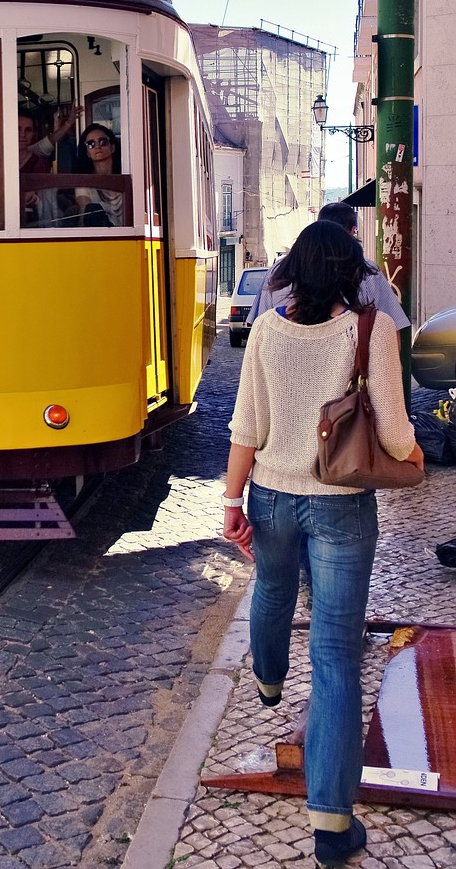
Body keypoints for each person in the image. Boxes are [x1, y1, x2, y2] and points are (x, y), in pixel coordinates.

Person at [222, 221, 424, 867]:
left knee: (273, 587)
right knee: (337, 659)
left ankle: (269, 679)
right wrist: (415, 455)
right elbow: (392, 433)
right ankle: (332, 828)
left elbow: (246, 425)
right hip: (341, 507)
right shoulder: (371, 329)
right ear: (351, 270)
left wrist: (231, 502)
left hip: (271, 497)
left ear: (291, 271)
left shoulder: (266, 330)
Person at [249, 202, 410, 343]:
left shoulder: (279, 269)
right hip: (349, 368)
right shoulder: (365, 270)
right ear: (353, 231)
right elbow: (392, 325)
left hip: (284, 362)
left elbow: (261, 329)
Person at [74, 123, 123, 226]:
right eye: (91, 144)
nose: (97, 147)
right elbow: (86, 210)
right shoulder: (84, 184)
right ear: (87, 153)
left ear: (112, 148)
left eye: (102, 142)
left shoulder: (125, 178)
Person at [18, 104, 81, 173]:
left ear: (34, 133)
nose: (23, 134)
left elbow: (50, 141)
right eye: (18, 129)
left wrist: (69, 122)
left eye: (28, 130)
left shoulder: (38, 161)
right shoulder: (4, 157)